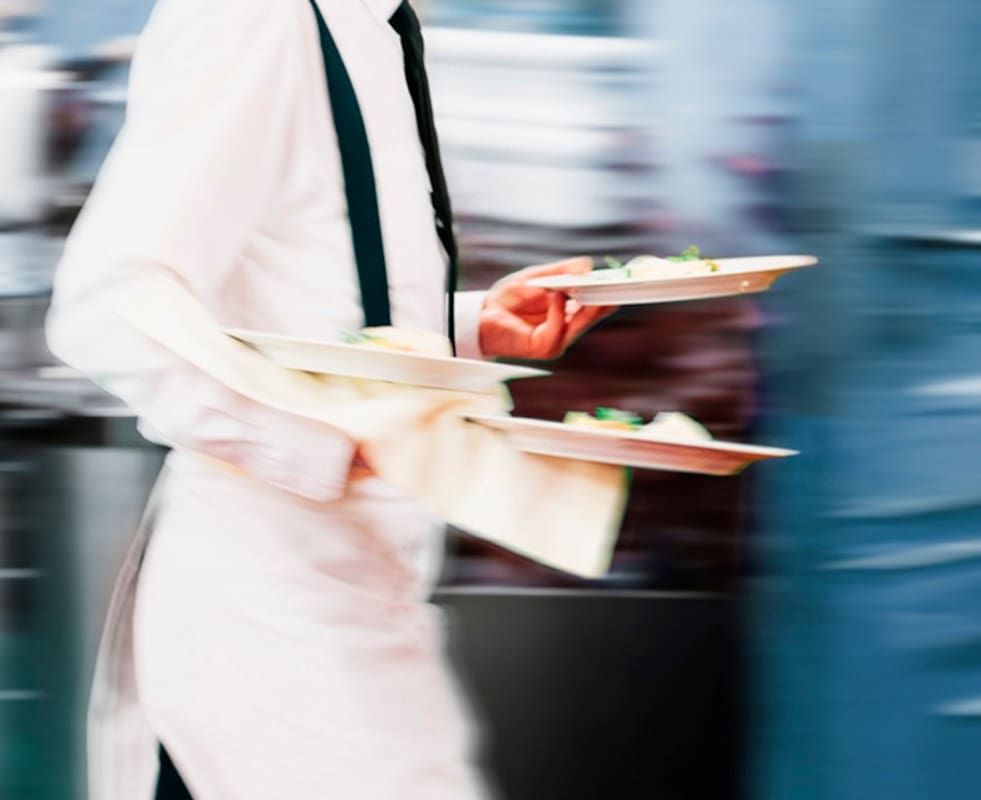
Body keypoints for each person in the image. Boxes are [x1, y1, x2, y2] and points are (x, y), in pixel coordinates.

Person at [45, 0, 609, 797]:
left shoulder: (374, 25)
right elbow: (109, 307)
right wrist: (326, 444)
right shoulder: (253, 17)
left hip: (360, 601)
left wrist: (473, 325)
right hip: (265, 617)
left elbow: (312, 303)